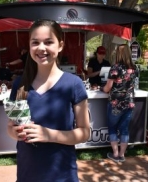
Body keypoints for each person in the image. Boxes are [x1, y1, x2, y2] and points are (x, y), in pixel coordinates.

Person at [7, 19, 90, 182]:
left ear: (60, 45)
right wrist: (17, 132)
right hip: (27, 174)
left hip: (62, 175)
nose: (41, 48)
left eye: (48, 42)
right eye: (35, 42)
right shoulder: (21, 84)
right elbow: (11, 126)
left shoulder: (74, 84)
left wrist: (48, 135)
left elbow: (85, 132)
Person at [101, 44, 139, 163]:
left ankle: (115, 154)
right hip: (129, 102)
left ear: (118, 53)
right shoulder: (134, 68)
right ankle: (122, 155)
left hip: (115, 103)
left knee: (112, 127)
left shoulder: (115, 68)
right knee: (124, 129)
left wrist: (102, 89)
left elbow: (108, 88)